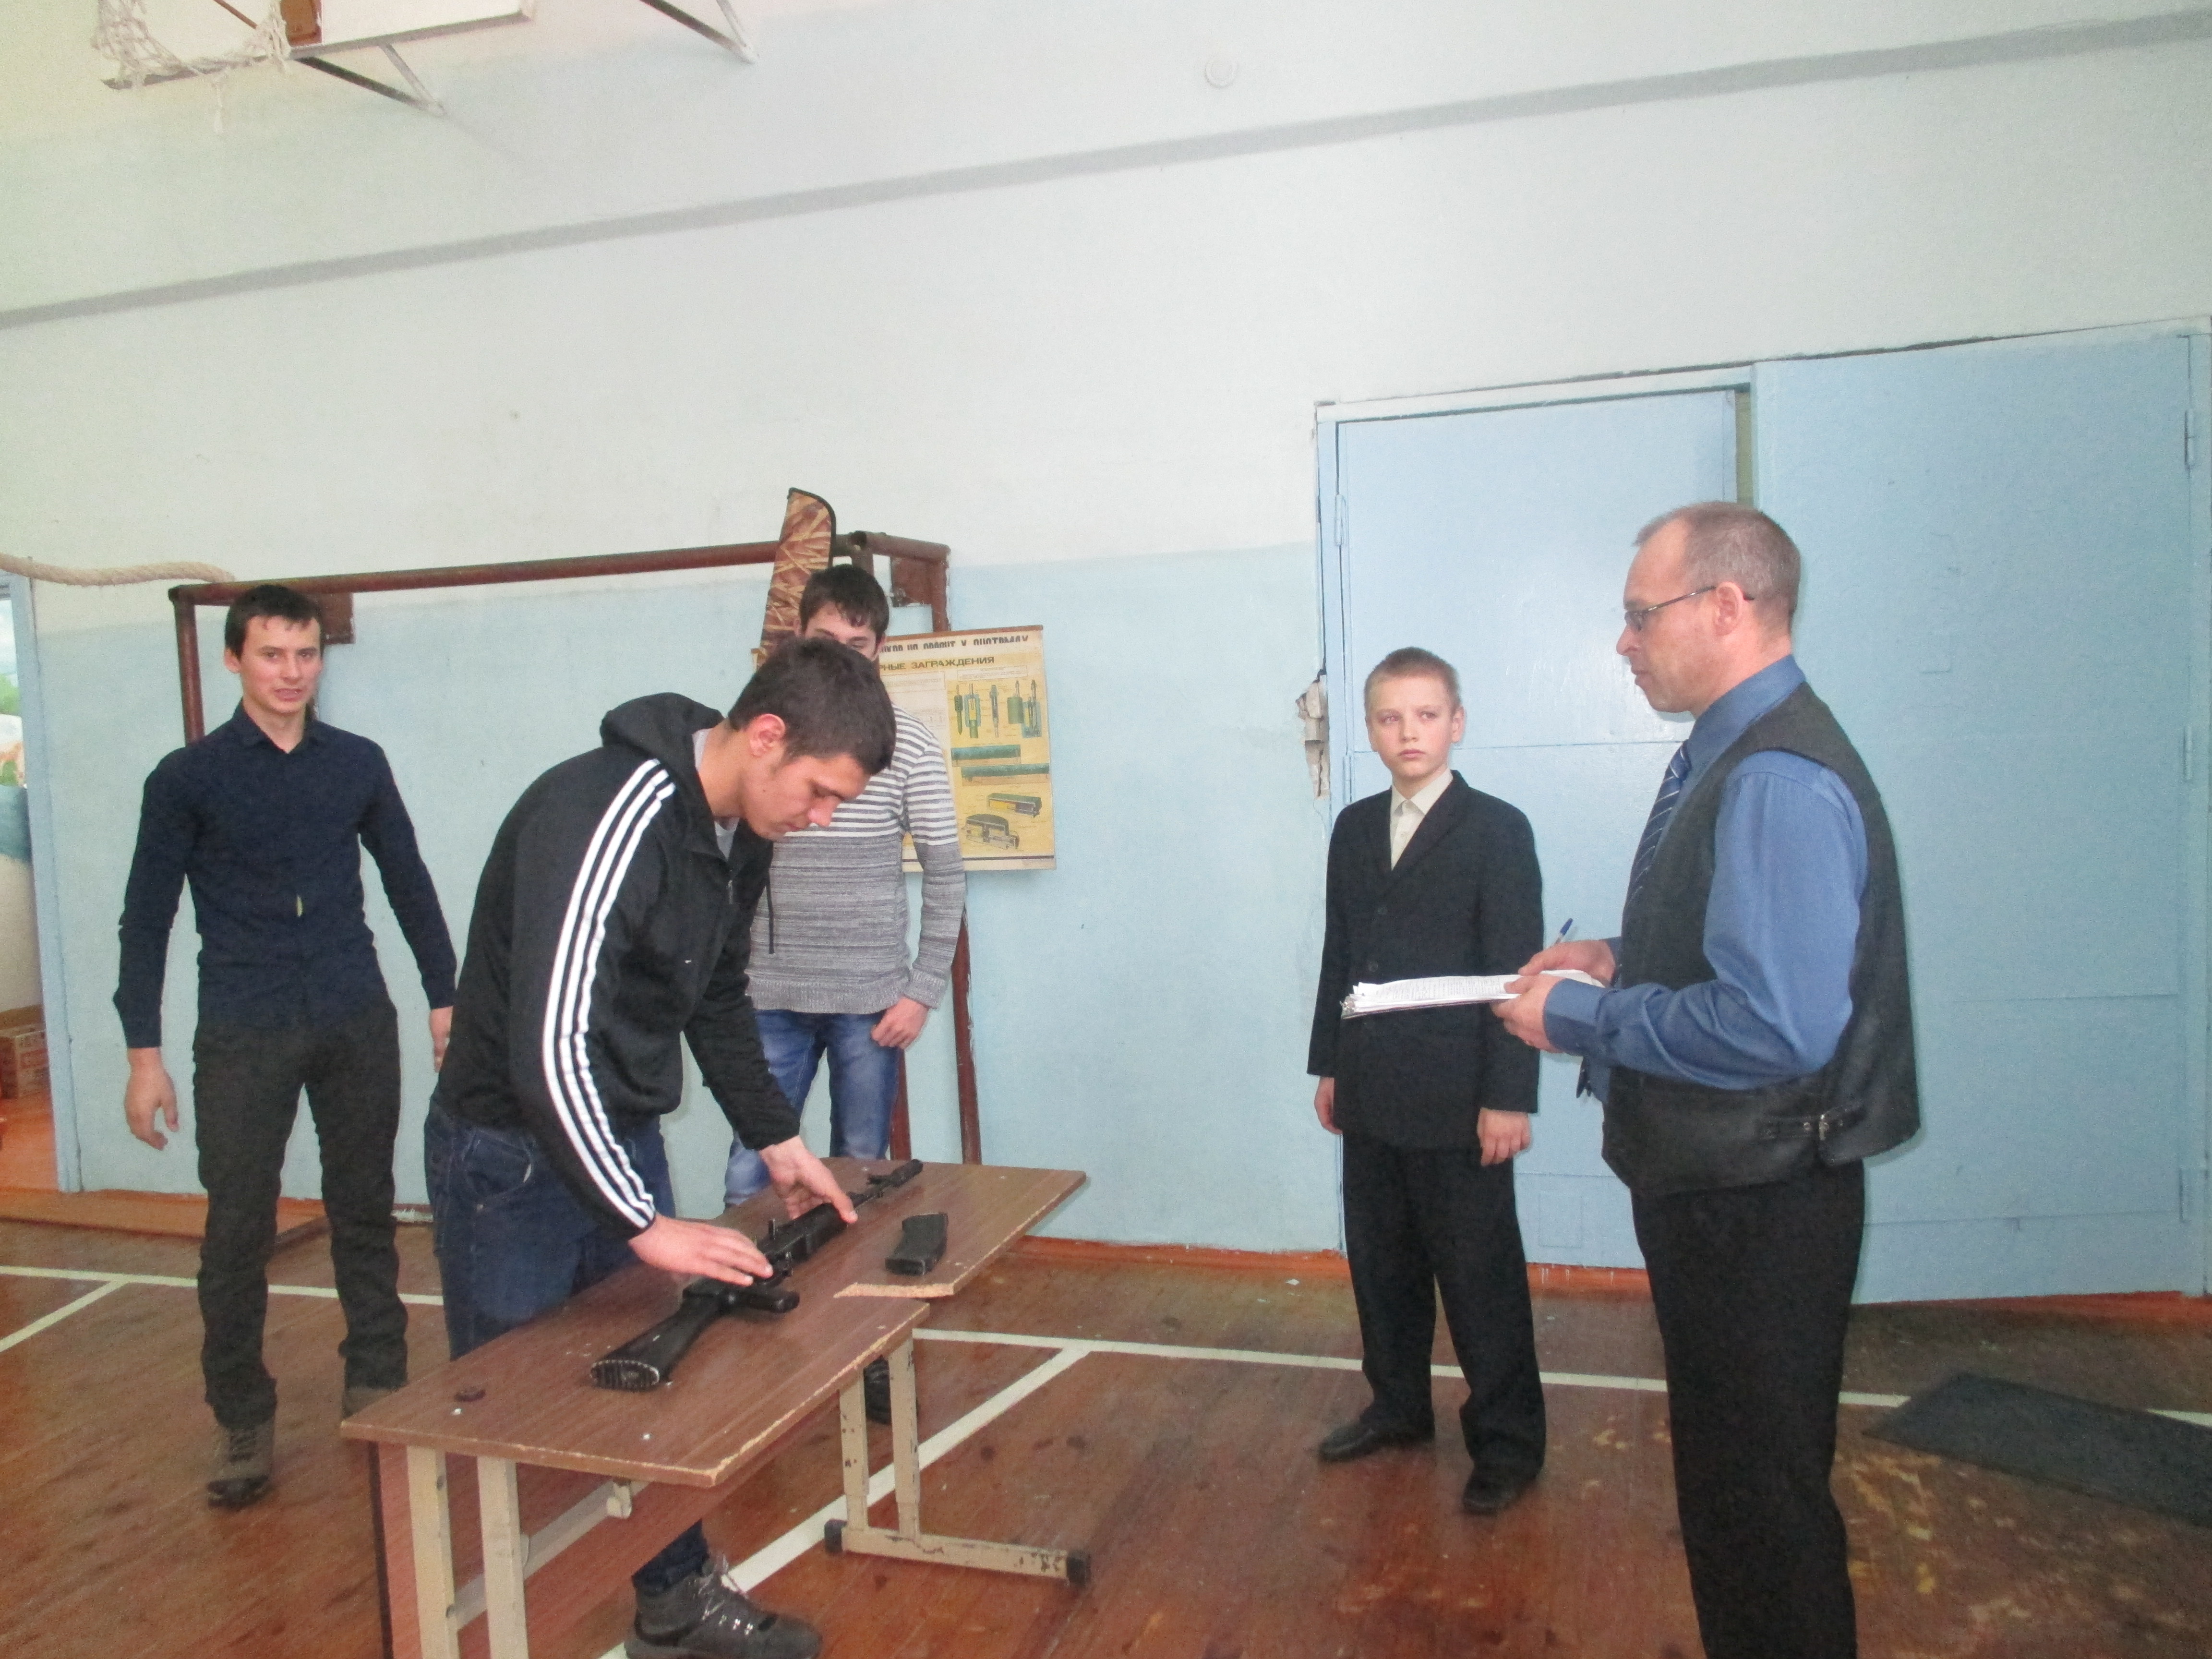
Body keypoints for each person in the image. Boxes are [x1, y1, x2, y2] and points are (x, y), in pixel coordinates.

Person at [1493, 503, 1919, 1659]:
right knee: (1740, 1498)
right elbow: (1742, 955)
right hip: (1738, 1191)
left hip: (1758, 1203)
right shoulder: (1736, 751)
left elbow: (1775, 1025)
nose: (1624, 641)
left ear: (1728, 606)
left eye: (1642, 615)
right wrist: (1617, 957)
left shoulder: (1775, 775)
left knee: (1758, 1513)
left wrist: (1580, 1016)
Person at [425, 637, 895, 1659]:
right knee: (517, 1420)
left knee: (647, 1385)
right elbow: (548, 1051)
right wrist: (644, 1223)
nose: (821, 819)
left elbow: (714, 993)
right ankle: (488, 1633)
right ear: (766, 737)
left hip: (615, 1133)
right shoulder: (607, 816)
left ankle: (675, 1608)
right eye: (819, 793)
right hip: (509, 1158)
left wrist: (777, 1137)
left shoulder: (738, 831)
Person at [115, 583, 456, 1509]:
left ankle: (377, 1379)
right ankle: (241, 1416)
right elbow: (145, 921)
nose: (292, 672)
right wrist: (143, 1055)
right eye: (272, 655)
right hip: (244, 1026)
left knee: (364, 1208)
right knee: (237, 1228)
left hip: (353, 1014)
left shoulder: (357, 763)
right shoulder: (186, 779)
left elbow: (409, 880)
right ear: (235, 660)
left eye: (306, 655)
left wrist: (445, 996)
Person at [1307, 647, 1548, 1515]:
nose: (1408, 732)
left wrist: (1509, 1095)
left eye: (1426, 715)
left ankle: (1509, 1444)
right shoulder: (1354, 829)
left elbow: (1516, 973)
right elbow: (1341, 953)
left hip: (1460, 1098)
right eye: (1389, 718)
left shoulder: (1497, 830)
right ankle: (1399, 1406)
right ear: (1371, 730)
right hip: (1373, 1088)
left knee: (1480, 1278)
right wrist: (1331, 1064)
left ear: (1457, 723)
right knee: (1383, 1265)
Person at [723, 564, 963, 1203]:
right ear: (799, 637)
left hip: (870, 1004)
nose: (843, 659)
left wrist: (921, 992)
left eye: (858, 645)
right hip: (769, 995)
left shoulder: (909, 746)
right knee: (749, 1177)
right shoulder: (764, 742)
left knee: (859, 1170)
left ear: (880, 649)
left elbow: (946, 873)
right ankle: (741, 1267)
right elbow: (721, 864)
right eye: (826, 641)